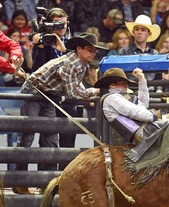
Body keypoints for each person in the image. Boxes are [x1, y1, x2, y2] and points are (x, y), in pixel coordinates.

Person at [13, 33, 107, 194]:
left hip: (49, 95)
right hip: (34, 92)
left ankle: (47, 183)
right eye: (90, 50)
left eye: (94, 51)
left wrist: (90, 92)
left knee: (50, 138)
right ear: (79, 49)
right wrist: (95, 92)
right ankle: (19, 181)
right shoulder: (71, 64)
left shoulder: (81, 64)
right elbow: (72, 93)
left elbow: (76, 90)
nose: (93, 53)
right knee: (28, 135)